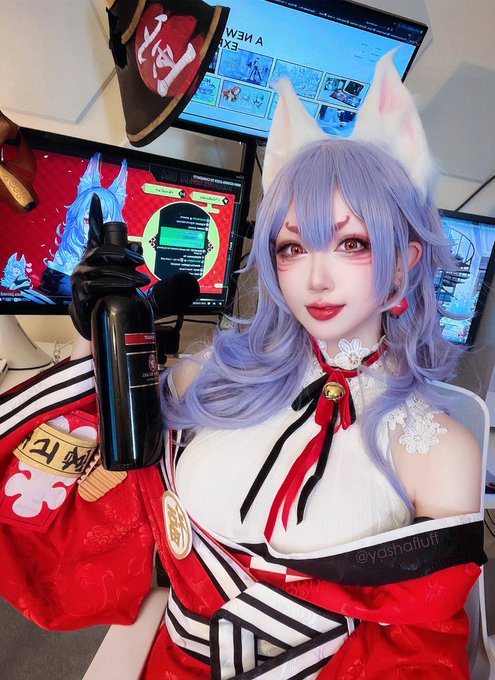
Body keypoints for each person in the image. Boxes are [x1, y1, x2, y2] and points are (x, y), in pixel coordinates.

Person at [0, 52, 486, 679]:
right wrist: (98, 341)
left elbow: (416, 652)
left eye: (352, 243)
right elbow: (86, 507)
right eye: (293, 246)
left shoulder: (443, 451)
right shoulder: (214, 377)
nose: (316, 277)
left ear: (404, 262)